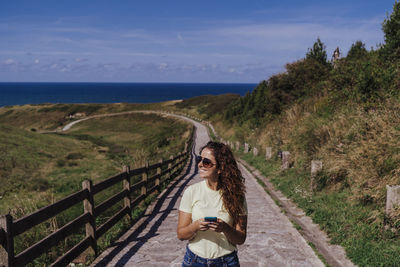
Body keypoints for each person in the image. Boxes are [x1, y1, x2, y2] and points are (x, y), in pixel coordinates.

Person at [177, 141, 247, 267]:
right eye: (200, 159)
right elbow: (181, 235)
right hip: (194, 261)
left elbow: (241, 238)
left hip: (227, 262)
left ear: (220, 168)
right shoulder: (191, 192)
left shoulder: (237, 196)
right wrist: (195, 226)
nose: (200, 164)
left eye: (206, 162)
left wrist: (225, 228)